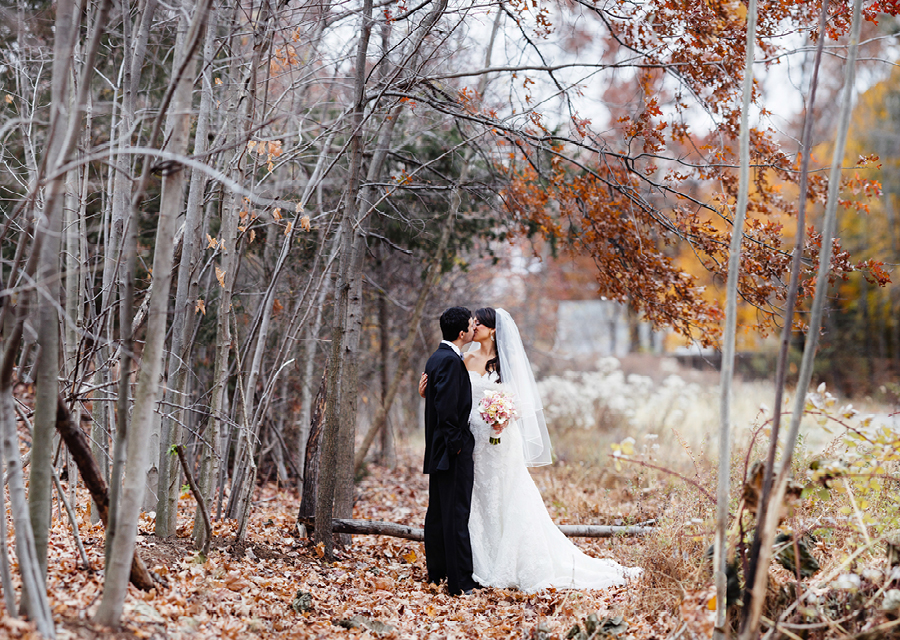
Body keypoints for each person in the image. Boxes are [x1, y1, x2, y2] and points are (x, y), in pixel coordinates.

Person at [420, 307, 641, 592]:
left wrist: (504, 416)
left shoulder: (506, 362)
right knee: (472, 502)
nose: (473, 327)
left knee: (505, 495)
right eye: (471, 323)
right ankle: (474, 562)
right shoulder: (461, 358)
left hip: (498, 439)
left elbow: (521, 402)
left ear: (493, 329)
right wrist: (427, 393)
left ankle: (510, 560)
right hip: (469, 438)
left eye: (479, 324)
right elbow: (451, 393)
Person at [421, 306, 480, 596]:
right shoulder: (449, 361)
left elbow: (437, 399)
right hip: (449, 452)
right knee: (455, 514)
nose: (474, 327)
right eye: (471, 324)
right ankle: (460, 583)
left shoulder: (437, 358)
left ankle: (438, 573)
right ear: (462, 333)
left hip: (441, 451)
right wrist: (457, 445)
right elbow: (446, 409)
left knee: (440, 512)